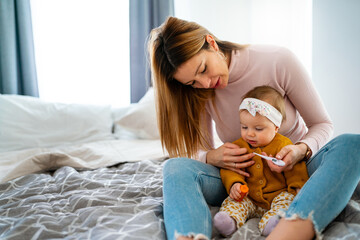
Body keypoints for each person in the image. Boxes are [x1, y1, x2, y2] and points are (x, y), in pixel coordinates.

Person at [147, 16, 360, 240]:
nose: (205, 84)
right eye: (192, 83)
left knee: (352, 145)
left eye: (203, 69)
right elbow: (198, 151)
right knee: (174, 167)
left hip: (295, 174)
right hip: (240, 181)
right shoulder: (200, 91)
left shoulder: (278, 60)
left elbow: (322, 124)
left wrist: (299, 150)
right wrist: (210, 157)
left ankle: (286, 234)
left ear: (211, 42)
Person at [213, 86, 308, 237]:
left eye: (258, 129)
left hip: (277, 195)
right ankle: (229, 220)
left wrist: (298, 189)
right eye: (244, 127)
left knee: (286, 202)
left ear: (275, 128)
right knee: (233, 202)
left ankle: (273, 223)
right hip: (249, 196)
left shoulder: (283, 145)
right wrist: (235, 184)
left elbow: (296, 170)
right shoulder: (239, 146)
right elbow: (229, 169)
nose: (249, 133)